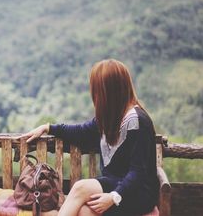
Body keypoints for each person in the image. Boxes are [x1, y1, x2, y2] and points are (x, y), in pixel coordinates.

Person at [22, 59, 159, 216]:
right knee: (84, 212)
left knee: (81, 188)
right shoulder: (111, 116)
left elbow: (138, 172)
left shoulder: (137, 121)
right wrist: (48, 127)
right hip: (116, 183)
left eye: (97, 89)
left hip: (137, 192)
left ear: (109, 90)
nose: (94, 94)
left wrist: (114, 197)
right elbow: (81, 132)